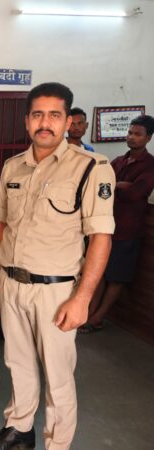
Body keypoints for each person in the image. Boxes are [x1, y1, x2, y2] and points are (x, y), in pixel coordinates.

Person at [0, 82, 115, 450]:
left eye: (54, 115)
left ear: (68, 121)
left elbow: (101, 237)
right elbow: (0, 223)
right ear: (27, 121)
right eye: (38, 115)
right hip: (11, 283)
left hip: (56, 290)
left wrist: (82, 298)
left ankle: (56, 444)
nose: (45, 123)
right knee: (18, 362)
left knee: (58, 376)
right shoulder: (13, 167)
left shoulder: (91, 168)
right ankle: (19, 429)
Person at [81, 114, 154, 333]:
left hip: (127, 229)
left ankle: (98, 317)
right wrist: (119, 185)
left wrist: (116, 187)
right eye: (130, 132)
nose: (131, 137)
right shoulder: (119, 161)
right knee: (99, 272)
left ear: (148, 138)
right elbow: (102, 184)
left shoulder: (150, 165)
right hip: (106, 226)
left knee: (117, 277)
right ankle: (89, 313)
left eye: (137, 134)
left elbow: (135, 193)